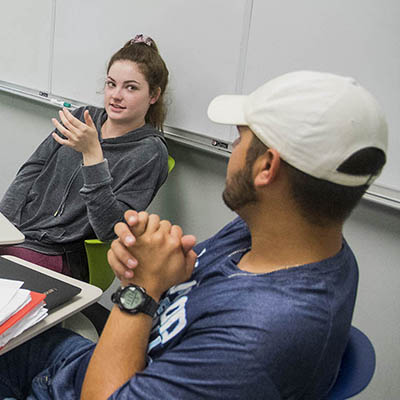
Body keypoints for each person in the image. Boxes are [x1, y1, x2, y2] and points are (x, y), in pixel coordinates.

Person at [0, 70, 388, 399]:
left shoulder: (262, 335)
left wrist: (139, 288)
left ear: (266, 167)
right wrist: (148, 256)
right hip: (91, 361)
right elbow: (177, 279)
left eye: (240, 139)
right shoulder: (280, 238)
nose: (233, 149)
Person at [0, 34, 170, 281]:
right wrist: (4, 224)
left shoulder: (150, 152)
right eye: (111, 84)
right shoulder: (81, 117)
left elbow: (110, 229)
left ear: (153, 95)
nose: (116, 95)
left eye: (131, 87)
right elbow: (32, 170)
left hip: (61, 252)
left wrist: (92, 155)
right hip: (21, 234)